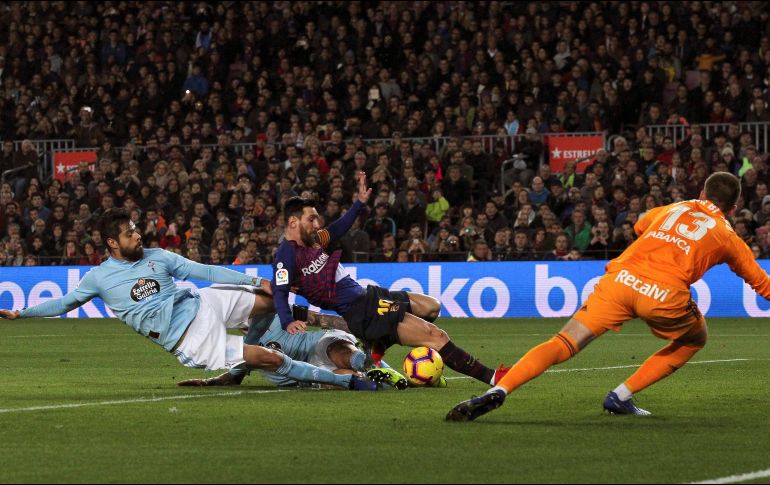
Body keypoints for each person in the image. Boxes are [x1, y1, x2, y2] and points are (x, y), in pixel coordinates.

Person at [447, 172, 770, 421]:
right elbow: (762, 284)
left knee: (562, 342)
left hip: (620, 279)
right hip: (663, 294)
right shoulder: (728, 236)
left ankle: (501, 388)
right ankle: (621, 395)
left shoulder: (675, 207)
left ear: (701, 193)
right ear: (735, 207)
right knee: (693, 340)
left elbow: (641, 226)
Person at [0, 209, 380, 392]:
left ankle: (256, 351)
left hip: (201, 303)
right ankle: (346, 383)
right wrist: (23, 312)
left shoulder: (156, 255)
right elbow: (64, 303)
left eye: (136, 229)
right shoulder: (98, 277)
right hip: (189, 339)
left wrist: (255, 280)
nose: (137, 235)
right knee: (274, 359)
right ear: (112, 244)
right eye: (129, 234)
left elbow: (207, 272)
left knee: (266, 298)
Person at [271, 172, 510, 388]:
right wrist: (286, 321)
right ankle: (493, 378)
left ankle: (381, 344)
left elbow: (339, 227)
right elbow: (279, 290)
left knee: (431, 306)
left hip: (369, 296)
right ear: (293, 223)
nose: (317, 224)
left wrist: (359, 204)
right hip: (361, 312)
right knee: (436, 337)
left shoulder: (315, 241)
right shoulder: (286, 255)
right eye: (311, 220)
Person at [178, 309, 422, 389]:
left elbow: (320, 320)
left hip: (317, 345)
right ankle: (370, 376)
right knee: (336, 374)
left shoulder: (277, 311)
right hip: (309, 373)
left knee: (339, 350)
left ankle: (375, 371)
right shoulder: (245, 351)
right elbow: (232, 377)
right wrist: (207, 383)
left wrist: (359, 328)